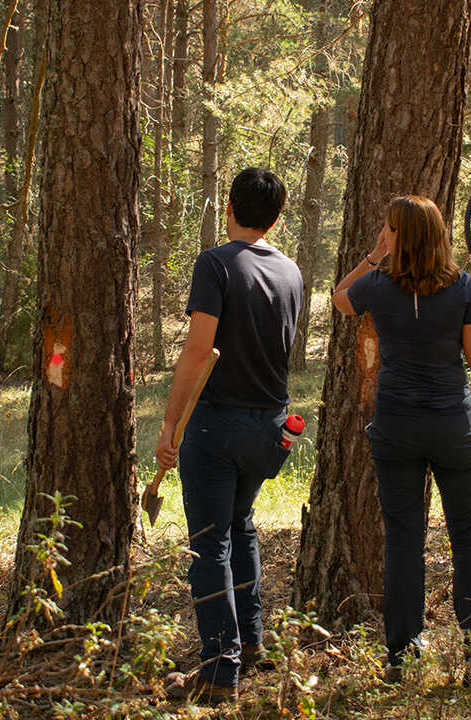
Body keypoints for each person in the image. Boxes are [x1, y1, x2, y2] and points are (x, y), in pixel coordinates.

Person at [331, 195, 471, 682]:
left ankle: (402, 657)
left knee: (405, 542)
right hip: (453, 426)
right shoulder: (463, 289)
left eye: (388, 229)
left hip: (396, 429)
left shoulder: (377, 285)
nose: (384, 235)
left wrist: (375, 255)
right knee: (469, 538)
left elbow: (339, 297)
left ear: (397, 236)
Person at [157, 167, 304, 705]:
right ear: (277, 216)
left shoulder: (215, 264)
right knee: (239, 527)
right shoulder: (290, 271)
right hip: (272, 428)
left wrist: (171, 425)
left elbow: (199, 351)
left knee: (209, 544)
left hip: (217, 425)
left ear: (228, 208)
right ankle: (253, 645)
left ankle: (221, 669)